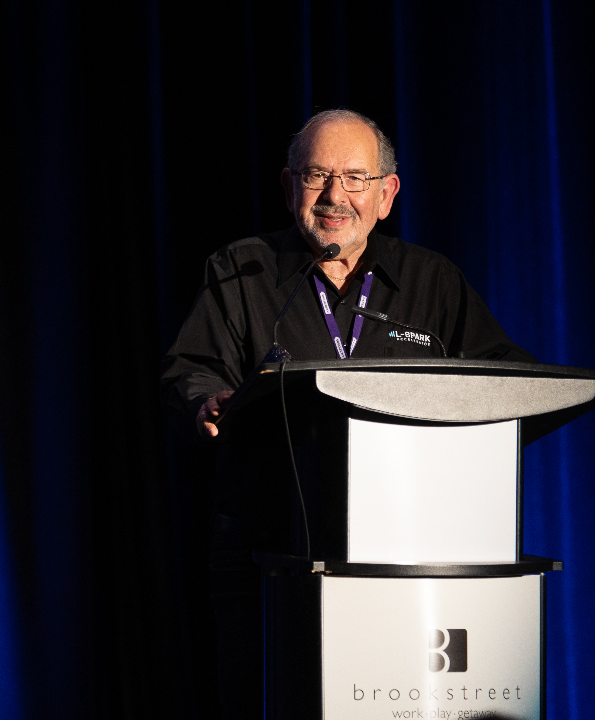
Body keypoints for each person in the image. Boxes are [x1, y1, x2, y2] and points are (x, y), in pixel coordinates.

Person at [159, 109, 535, 718]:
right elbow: (193, 369)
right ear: (289, 188)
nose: (336, 195)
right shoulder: (243, 271)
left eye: (356, 178)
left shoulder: (431, 282)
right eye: (318, 175)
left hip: (412, 558)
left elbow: (503, 375)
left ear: (386, 195)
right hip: (270, 556)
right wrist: (206, 401)